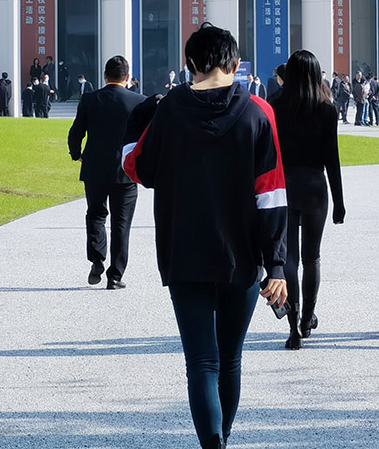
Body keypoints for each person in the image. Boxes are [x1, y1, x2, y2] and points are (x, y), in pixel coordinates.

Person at [123, 24, 287, 449]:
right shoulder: (258, 112)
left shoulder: (171, 109)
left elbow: (139, 169)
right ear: (236, 63)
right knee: (229, 360)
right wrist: (277, 265)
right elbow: (271, 194)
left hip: (185, 249)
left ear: (190, 63)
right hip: (243, 254)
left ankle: (212, 445)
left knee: (201, 361)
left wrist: (135, 125)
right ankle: (222, 439)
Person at [269, 49, 345, 350]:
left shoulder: (274, 105)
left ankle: (293, 326)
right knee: (312, 257)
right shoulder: (326, 109)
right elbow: (332, 160)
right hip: (315, 186)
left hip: (284, 187)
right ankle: (307, 318)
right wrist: (339, 202)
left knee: (289, 258)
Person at [68, 55, 146, 290]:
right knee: (122, 223)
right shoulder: (138, 102)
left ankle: (97, 259)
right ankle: (115, 275)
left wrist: (76, 154)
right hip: (125, 171)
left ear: (105, 76)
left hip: (95, 168)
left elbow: (76, 132)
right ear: (128, 77)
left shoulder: (90, 99)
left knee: (95, 214)